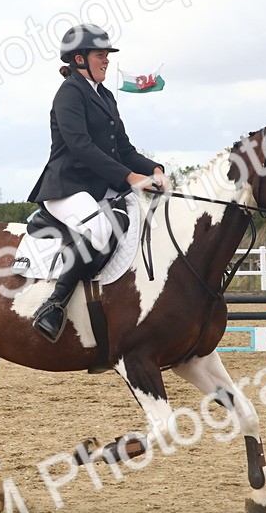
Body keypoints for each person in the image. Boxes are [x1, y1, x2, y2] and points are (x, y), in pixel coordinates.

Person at [26, 24, 170, 342]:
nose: (106, 61)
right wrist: (130, 178)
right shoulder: (69, 94)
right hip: (67, 187)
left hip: (99, 187)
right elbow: (81, 147)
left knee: (138, 220)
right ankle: (53, 306)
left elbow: (124, 149)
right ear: (79, 59)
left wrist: (154, 168)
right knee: (102, 230)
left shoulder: (103, 95)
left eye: (106, 55)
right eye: (100, 55)